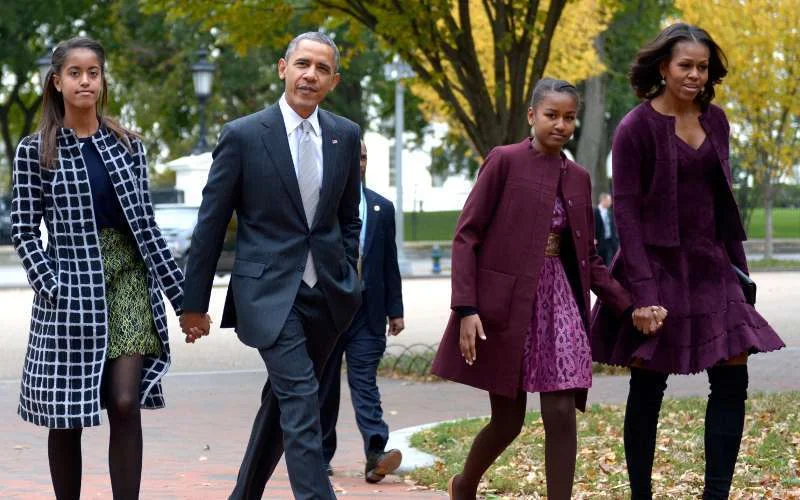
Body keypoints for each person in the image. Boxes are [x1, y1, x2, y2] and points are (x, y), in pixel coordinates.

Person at [431, 78, 652, 500]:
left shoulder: (579, 177)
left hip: (560, 302)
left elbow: (588, 257)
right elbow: (467, 237)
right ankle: (464, 485)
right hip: (506, 307)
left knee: (560, 413)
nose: (561, 124)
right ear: (532, 116)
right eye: (551, 115)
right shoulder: (503, 161)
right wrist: (466, 308)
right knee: (508, 421)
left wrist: (628, 306)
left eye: (570, 117)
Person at [590, 23, 785, 500]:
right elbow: (629, 217)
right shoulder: (635, 127)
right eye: (686, 66)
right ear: (663, 67)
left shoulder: (716, 120)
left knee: (732, 378)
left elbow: (725, 200)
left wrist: (740, 276)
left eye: (702, 67)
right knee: (649, 385)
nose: (696, 75)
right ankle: (641, 494)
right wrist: (644, 294)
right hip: (654, 267)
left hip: (711, 265)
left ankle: (715, 493)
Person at [179, 31, 362, 500]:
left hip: (326, 295)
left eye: (322, 69)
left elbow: (348, 219)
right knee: (302, 400)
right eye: (303, 64)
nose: (310, 75)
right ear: (283, 68)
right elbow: (211, 223)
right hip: (267, 296)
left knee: (282, 406)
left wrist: (348, 278)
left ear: (333, 80)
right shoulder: (243, 135)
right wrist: (193, 303)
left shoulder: (345, 135)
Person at [11, 37, 185, 499]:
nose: (85, 80)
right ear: (57, 82)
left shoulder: (128, 146)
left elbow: (147, 228)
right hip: (69, 286)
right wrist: (50, 285)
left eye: (93, 72)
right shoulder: (35, 151)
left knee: (124, 402)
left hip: (127, 278)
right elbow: (24, 231)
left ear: (102, 80)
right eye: (75, 73)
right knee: (66, 413)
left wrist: (185, 300)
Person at [318, 140, 405, 483]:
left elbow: (389, 263)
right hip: (328, 310)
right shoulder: (322, 205)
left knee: (364, 382)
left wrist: (395, 310)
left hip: (368, 312)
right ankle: (321, 455)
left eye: (364, 156)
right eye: (354, 157)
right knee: (324, 387)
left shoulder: (382, 208)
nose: (360, 162)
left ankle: (375, 453)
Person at [594, 193, 619, 266]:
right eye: (609, 200)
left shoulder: (610, 213)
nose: (610, 202)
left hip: (610, 241)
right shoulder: (595, 212)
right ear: (603, 200)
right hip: (599, 242)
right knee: (601, 261)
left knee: (609, 262)